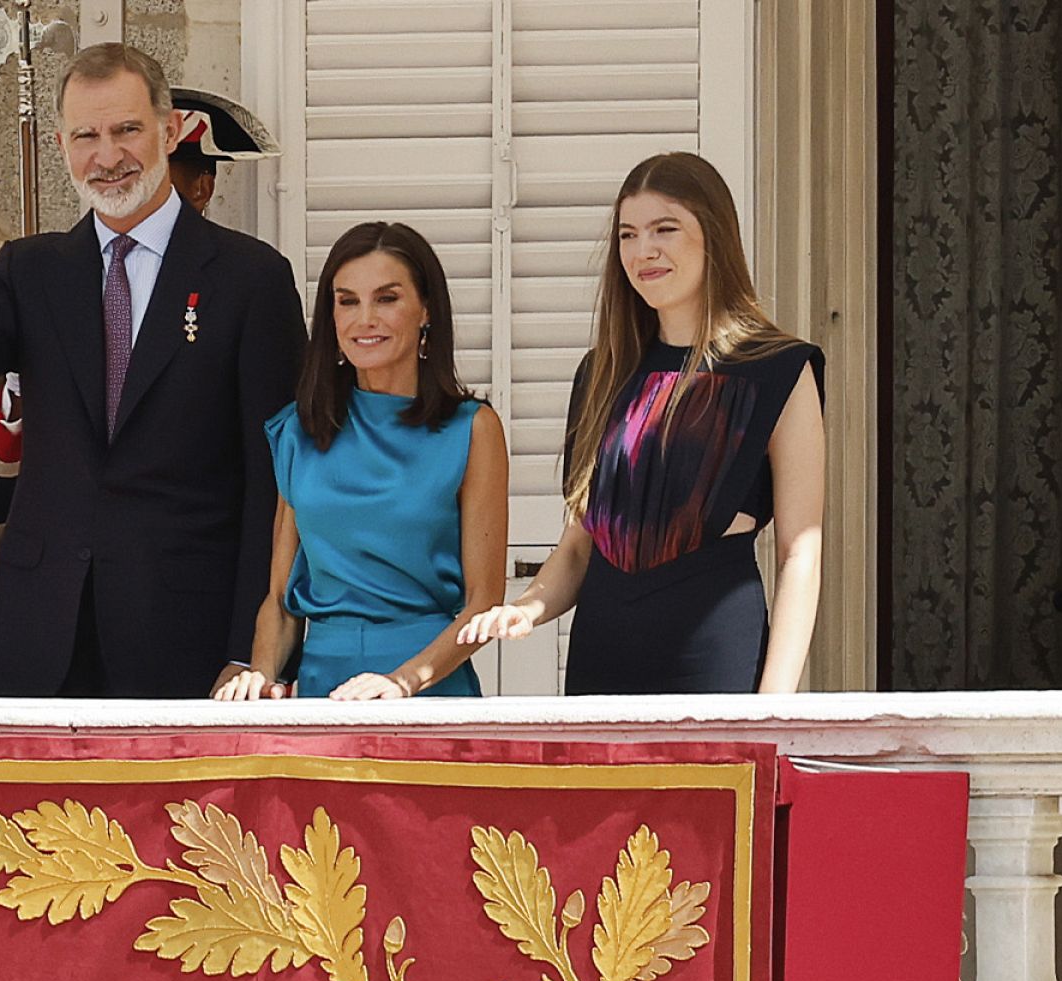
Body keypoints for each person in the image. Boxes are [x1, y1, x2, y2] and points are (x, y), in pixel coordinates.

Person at [0, 43, 306, 698]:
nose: (107, 157)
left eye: (126, 130)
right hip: (35, 639)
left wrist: (254, 652)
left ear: (169, 131)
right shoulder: (33, 271)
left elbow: (274, 486)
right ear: (61, 144)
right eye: (86, 136)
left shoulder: (252, 280)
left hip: (185, 644)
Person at [456, 151, 825, 694]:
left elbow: (801, 551)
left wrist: (775, 705)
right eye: (628, 235)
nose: (642, 250)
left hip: (714, 652)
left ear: (715, 235)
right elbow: (580, 545)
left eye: (665, 228)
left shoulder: (779, 368)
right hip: (600, 653)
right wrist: (527, 610)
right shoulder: (602, 373)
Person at [214, 222, 508, 700]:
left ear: (426, 309)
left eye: (386, 299)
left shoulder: (472, 429)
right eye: (347, 300)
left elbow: (483, 602)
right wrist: (262, 676)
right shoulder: (299, 430)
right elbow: (281, 601)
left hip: (428, 691)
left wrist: (404, 682)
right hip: (320, 692)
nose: (364, 318)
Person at [0, 87, 282, 525]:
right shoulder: (57, 284)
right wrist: (19, 390)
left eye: (157, 177)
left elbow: (268, 470)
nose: (125, 181)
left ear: (202, 188)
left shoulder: (243, 285)